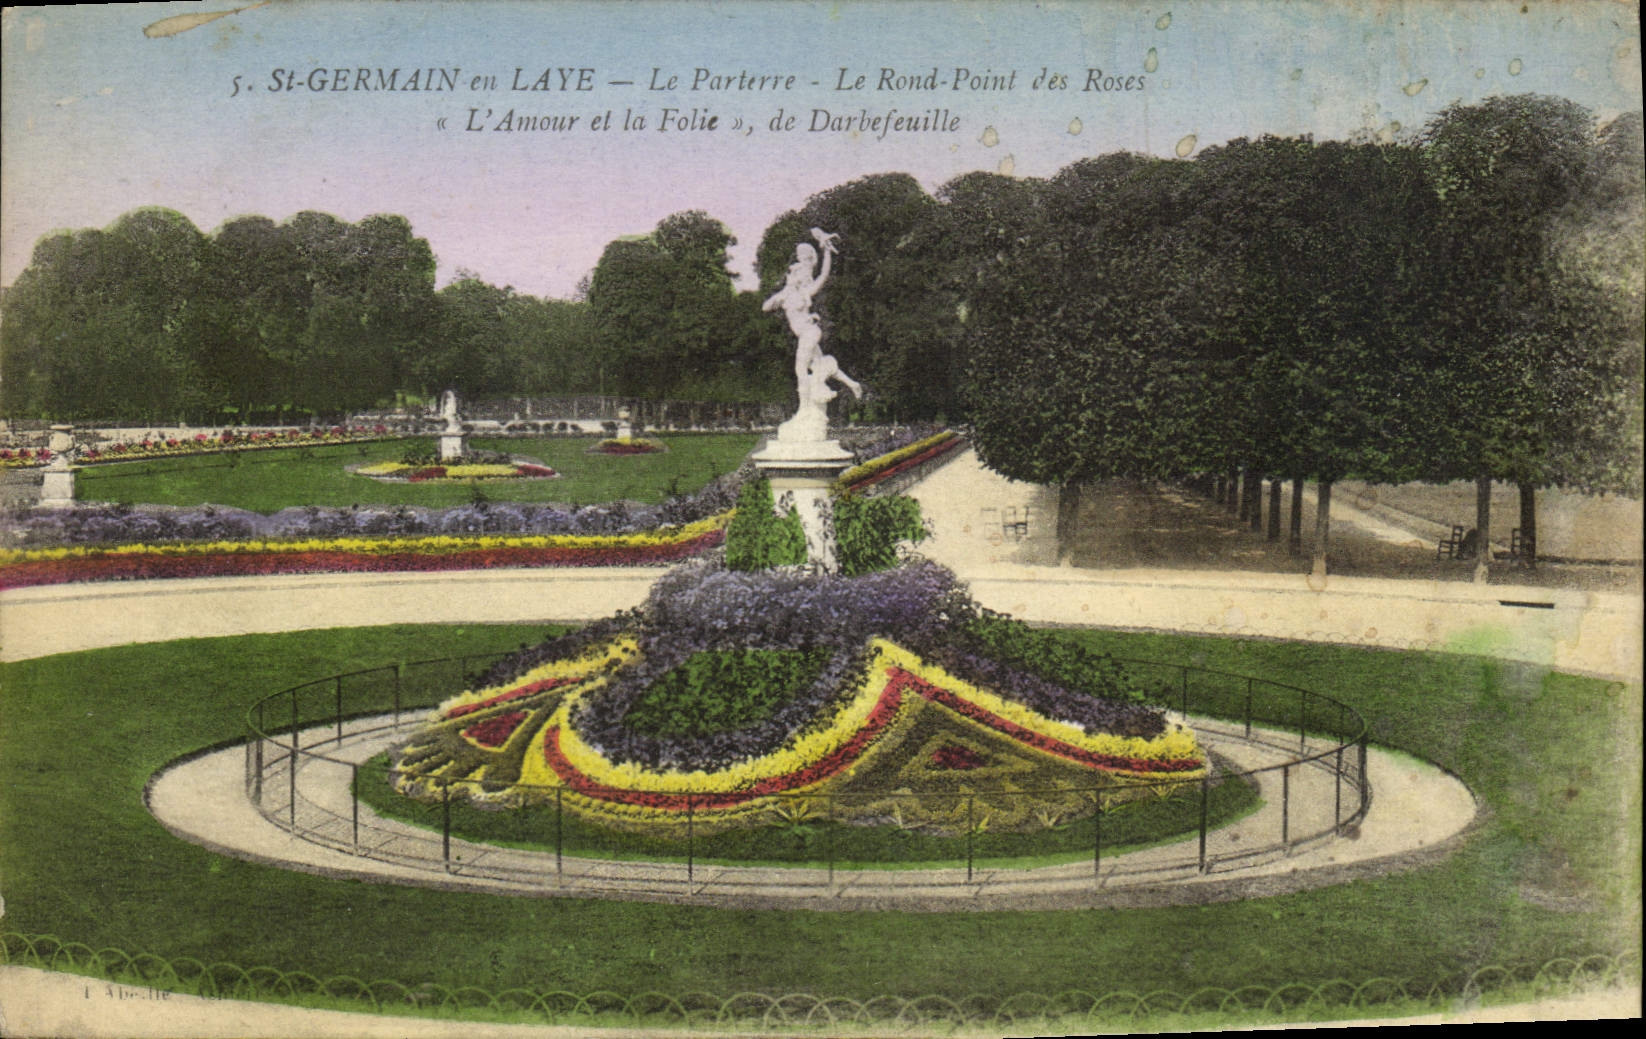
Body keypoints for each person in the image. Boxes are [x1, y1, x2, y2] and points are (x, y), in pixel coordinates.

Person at [762, 228, 863, 408]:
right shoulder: (785, 295)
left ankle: (805, 407)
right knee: (819, 363)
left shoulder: (805, 292)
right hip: (804, 333)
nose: (792, 275)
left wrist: (826, 252)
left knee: (800, 368)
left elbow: (823, 275)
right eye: (792, 273)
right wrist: (780, 295)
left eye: (796, 273)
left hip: (810, 332)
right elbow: (765, 307)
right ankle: (853, 384)